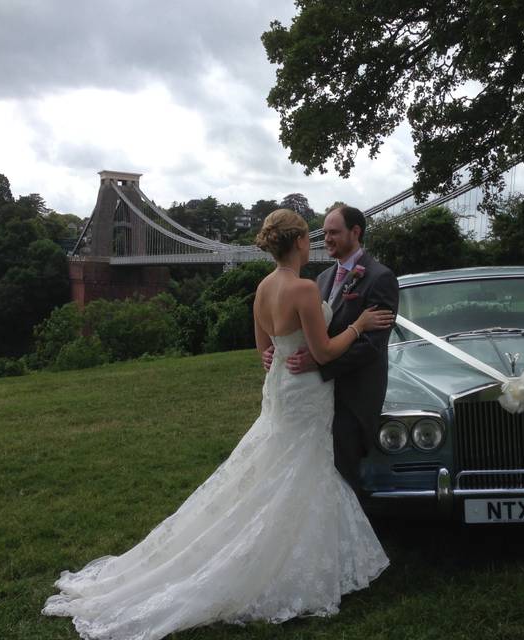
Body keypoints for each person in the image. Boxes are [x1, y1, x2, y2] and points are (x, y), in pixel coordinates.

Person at [42, 209, 393, 640]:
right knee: (298, 471)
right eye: (310, 236)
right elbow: (322, 353)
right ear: (300, 242)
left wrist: (277, 356)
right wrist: (358, 325)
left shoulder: (263, 288)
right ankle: (280, 561)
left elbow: (264, 352)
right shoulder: (304, 288)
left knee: (277, 469)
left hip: (283, 391)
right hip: (306, 396)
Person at [262, 205, 399, 491]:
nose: (326, 238)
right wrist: (276, 351)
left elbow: (372, 346)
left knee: (342, 479)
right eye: (324, 232)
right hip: (312, 394)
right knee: (313, 475)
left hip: (352, 396)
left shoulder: (380, 277)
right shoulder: (320, 279)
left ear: (356, 232)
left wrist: (320, 362)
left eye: (333, 232)